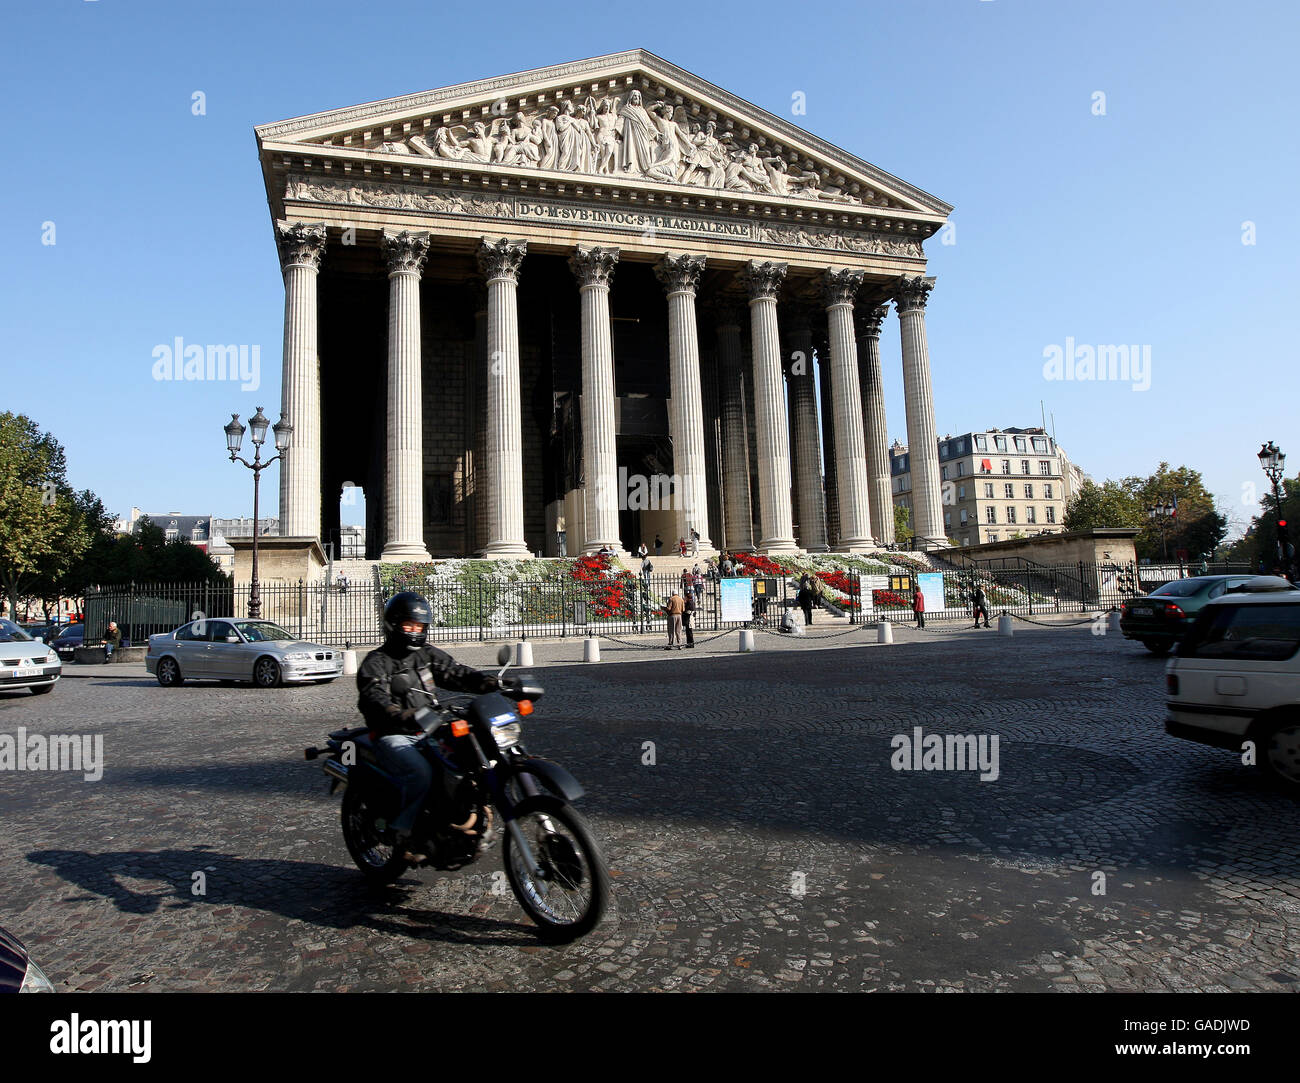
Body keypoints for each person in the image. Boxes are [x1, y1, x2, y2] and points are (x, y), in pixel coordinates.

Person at [357, 591, 500, 864]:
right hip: (394, 734)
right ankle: (404, 832)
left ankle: (464, 815)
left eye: (420, 626)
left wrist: (492, 684)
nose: (414, 631)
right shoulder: (377, 661)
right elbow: (373, 696)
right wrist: (397, 713)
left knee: (473, 758)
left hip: (430, 728)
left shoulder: (426, 654)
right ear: (393, 625)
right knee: (420, 772)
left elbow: (455, 672)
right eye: (409, 625)